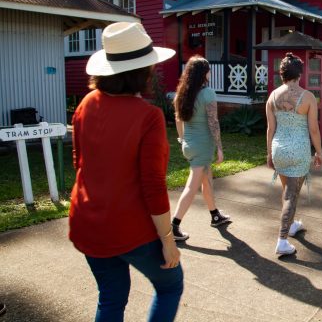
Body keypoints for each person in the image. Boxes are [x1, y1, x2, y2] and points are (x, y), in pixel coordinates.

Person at [69, 22, 183, 322]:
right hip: (132, 229)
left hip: (88, 223)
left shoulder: (85, 104)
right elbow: (153, 186)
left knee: (111, 297)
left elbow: (79, 162)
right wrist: (168, 241)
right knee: (170, 285)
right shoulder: (149, 116)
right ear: (142, 72)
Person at [266, 53, 322, 256]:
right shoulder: (307, 97)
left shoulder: (272, 96)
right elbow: (314, 129)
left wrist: (269, 154)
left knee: (287, 191)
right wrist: (319, 151)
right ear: (299, 73)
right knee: (292, 195)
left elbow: (270, 129)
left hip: (279, 149)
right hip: (298, 150)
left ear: (282, 74)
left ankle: (290, 225)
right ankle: (282, 241)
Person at [171, 56, 231, 241]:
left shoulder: (183, 93)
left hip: (189, 145)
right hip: (203, 147)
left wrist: (182, 140)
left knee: (206, 180)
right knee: (191, 186)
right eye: (209, 70)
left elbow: (178, 119)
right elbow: (214, 123)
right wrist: (219, 148)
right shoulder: (208, 93)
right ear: (204, 73)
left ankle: (214, 214)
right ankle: (174, 226)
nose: (210, 73)